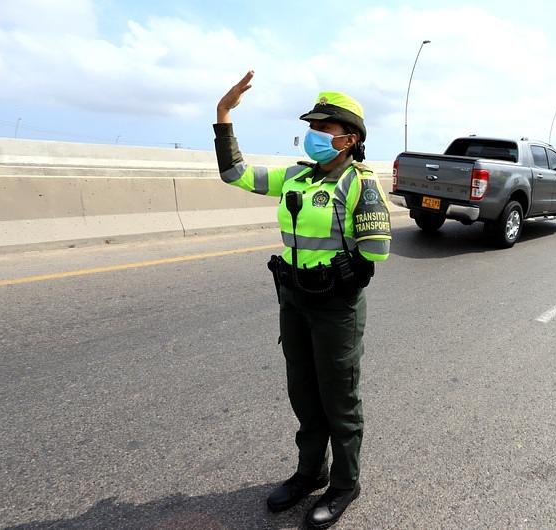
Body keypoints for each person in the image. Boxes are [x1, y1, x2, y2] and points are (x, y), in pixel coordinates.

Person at [213, 71, 391, 528]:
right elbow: (235, 174)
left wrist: (347, 262)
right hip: (293, 301)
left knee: (339, 399)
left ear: (348, 139)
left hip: (336, 308)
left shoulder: (358, 183)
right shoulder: (295, 175)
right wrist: (224, 115)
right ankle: (311, 473)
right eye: (311, 127)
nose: (313, 135)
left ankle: (346, 482)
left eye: (323, 129)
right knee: (304, 393)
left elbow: (376, 250)